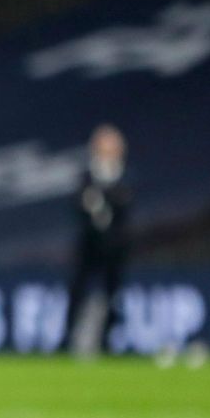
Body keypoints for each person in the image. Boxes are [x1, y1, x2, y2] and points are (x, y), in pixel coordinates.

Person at [61, 124, 130, 356]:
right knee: (77, 292)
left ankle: (108, 343)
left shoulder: (123, 176)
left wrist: (103, 208)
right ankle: (66, 341)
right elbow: (78, 204)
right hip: (89, 246)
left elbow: (124, 207)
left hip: (113, 248)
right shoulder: (88, 175)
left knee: (112, 295)